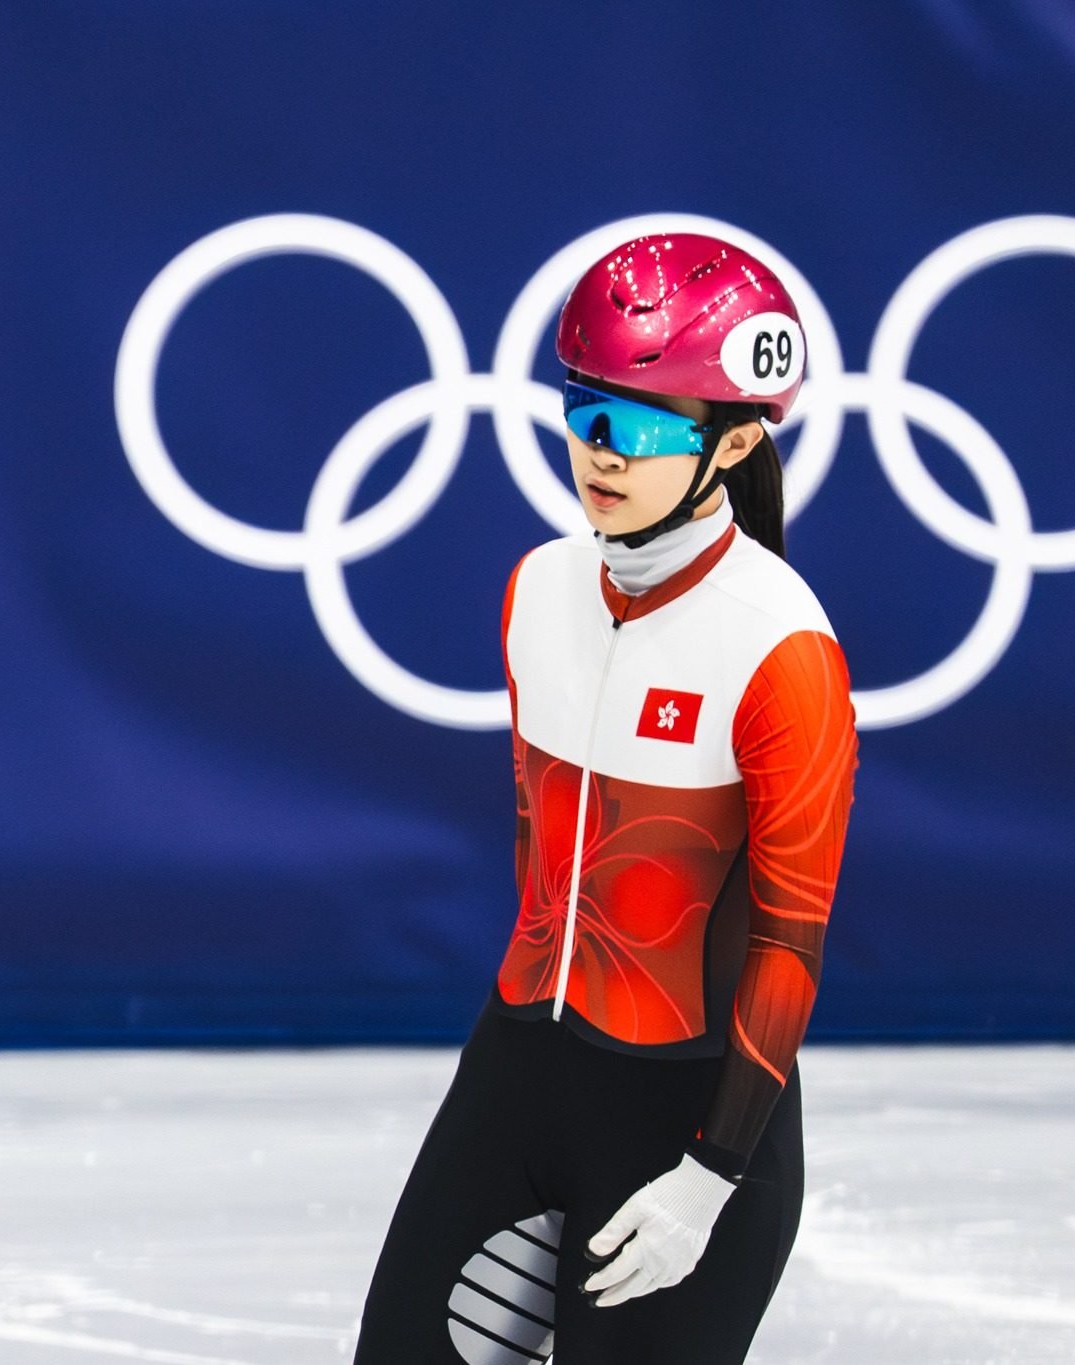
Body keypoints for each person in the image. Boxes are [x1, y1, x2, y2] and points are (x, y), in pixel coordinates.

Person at [353, 232, 859, 1364]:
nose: (598, 453)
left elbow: (788, 942)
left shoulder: (779, 646)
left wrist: (711, 1176)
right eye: (581, 412)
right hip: (518, 1073)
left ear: (732, 441)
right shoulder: (537, 591)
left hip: (686, 1118)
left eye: (635, 427)